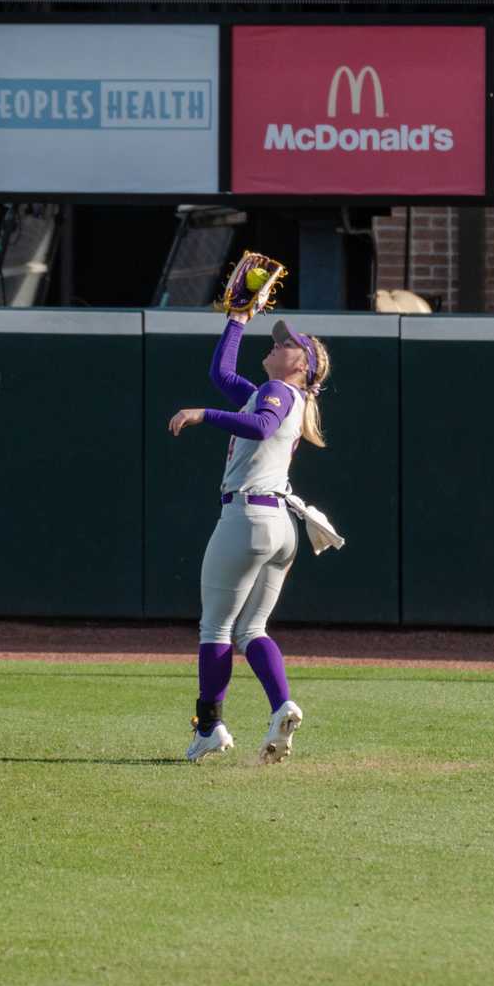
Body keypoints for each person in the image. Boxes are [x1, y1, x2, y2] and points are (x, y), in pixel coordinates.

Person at [166, 312, 333, 765]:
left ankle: (209, 727)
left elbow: (259, 426)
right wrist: (237, 321)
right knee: (251, 629)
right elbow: (220, 374)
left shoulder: (278, 392)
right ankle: (282, 704)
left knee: (216, 628)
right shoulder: (278, 394)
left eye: (287, 345)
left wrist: (202, 413)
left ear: (302, 365)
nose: (276, 346)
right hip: (281, 527)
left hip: (248, 517)